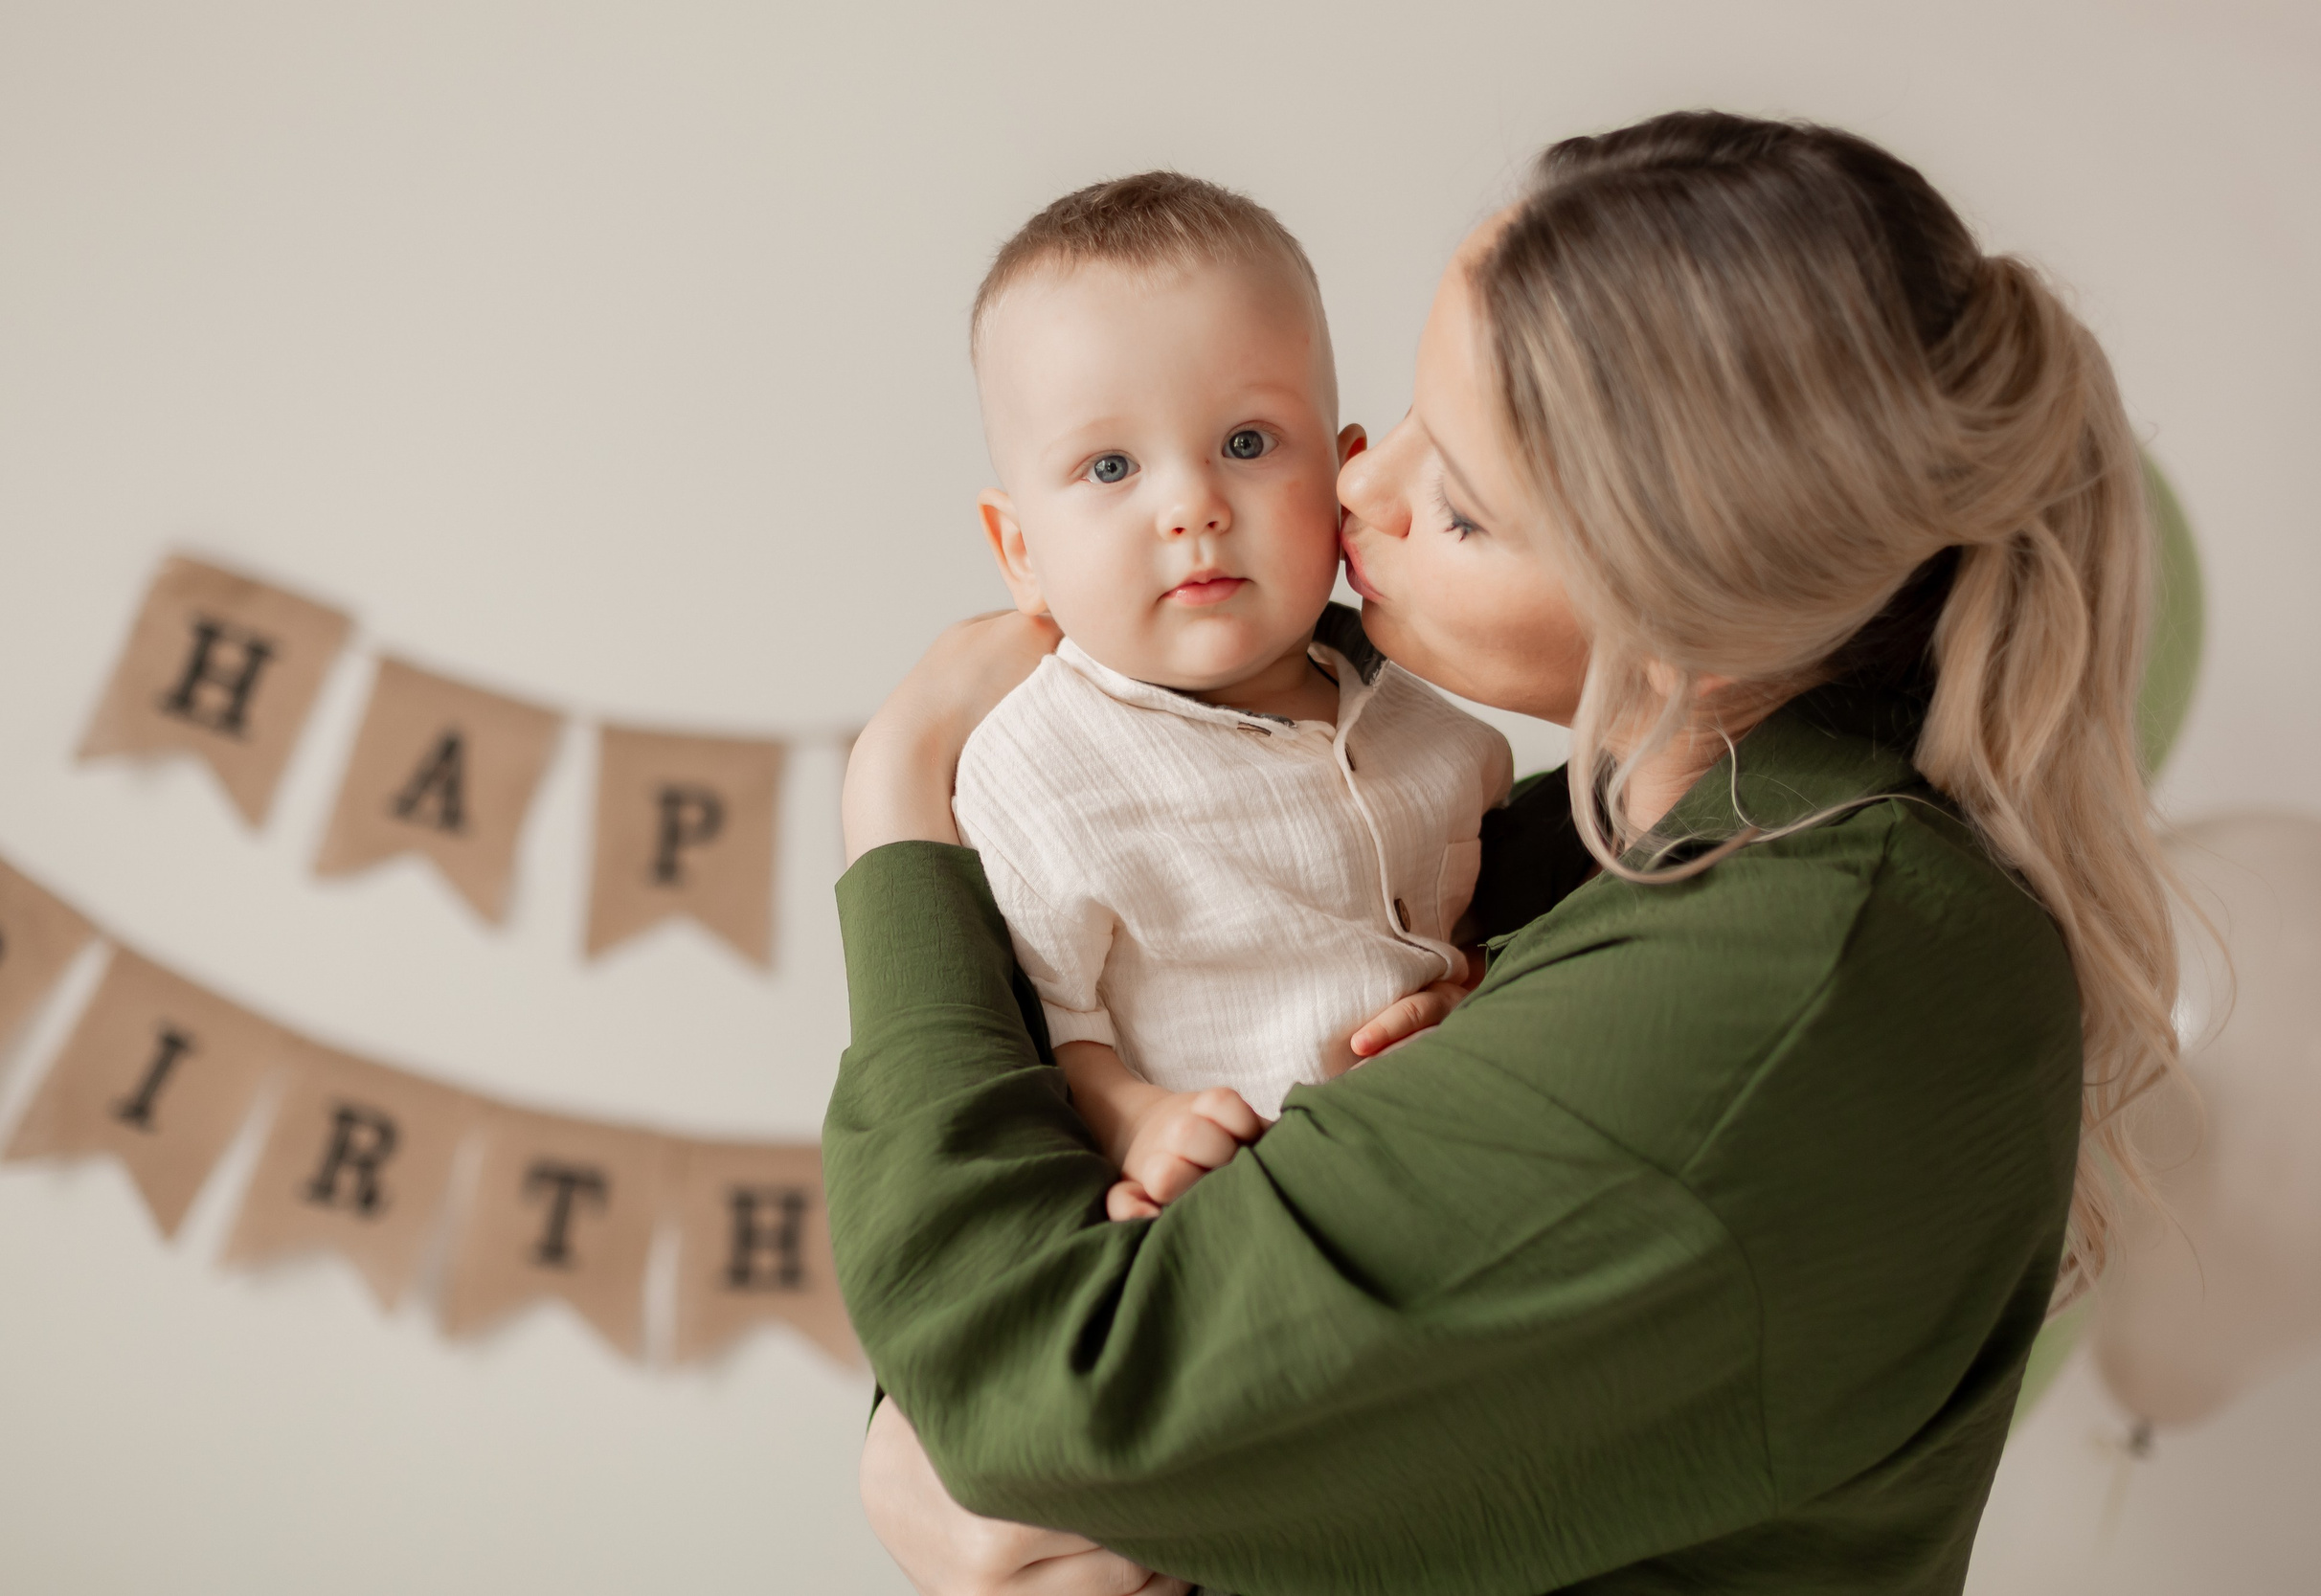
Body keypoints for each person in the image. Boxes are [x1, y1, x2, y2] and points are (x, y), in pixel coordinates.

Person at [826, 111, 2182, 1595]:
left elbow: (1043, 1393)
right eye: (1398, 420)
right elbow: (1039, 1365)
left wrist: (896, 803)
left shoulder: (1805, 963)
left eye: (1458, 503)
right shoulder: (1584, 850)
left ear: (1684, 590)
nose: (1353, 491)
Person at [948, 172, 1512, 1220]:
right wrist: (1137, 1120)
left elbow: (1476, 938)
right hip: (1226, 1223)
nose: (1192, 506)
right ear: (1019, 549)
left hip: (1451, 1183)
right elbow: (1052, 1033)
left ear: (1344, 474)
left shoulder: (1439, 731)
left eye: (1247, 445)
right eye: (1110, 466)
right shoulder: (1036, 767)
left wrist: (1479, 987)